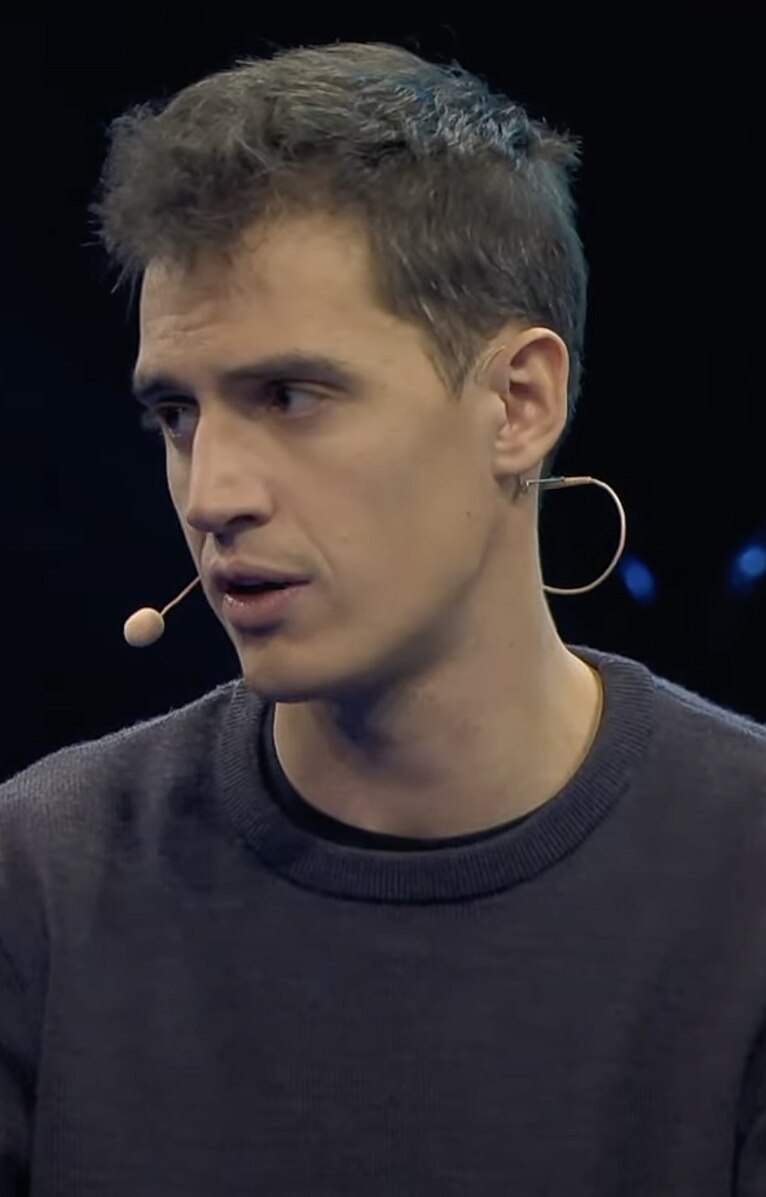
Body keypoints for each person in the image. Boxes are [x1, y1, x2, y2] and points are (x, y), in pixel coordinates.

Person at [1, 41, 765, 1197]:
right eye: (176, 415)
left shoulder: (741, 881)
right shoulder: (40, 878)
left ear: (518, 403)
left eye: (289, 396)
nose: (211, 494)